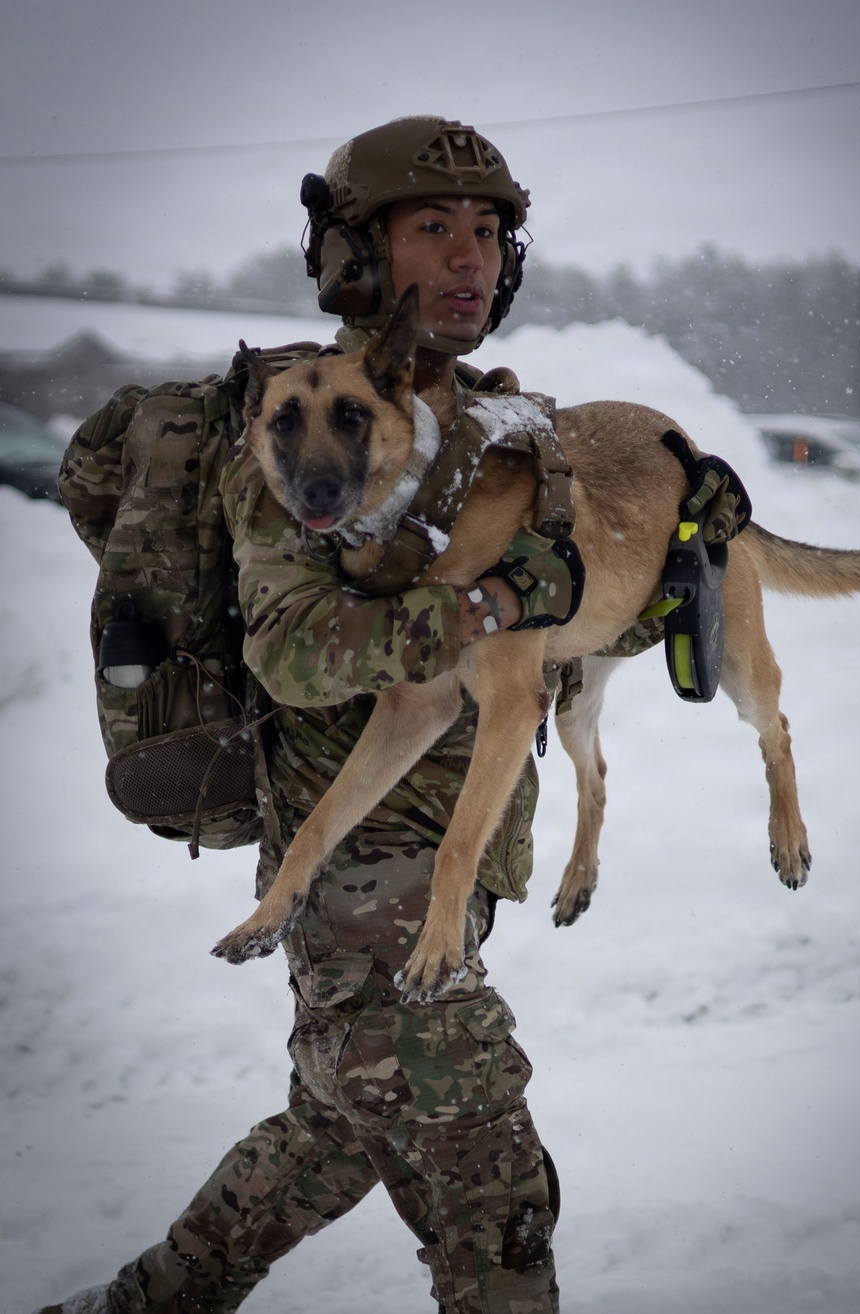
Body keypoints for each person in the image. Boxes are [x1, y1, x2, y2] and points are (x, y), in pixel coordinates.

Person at [40, 116, 602, 1314]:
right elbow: (295, 651)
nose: (467, 258)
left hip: (459, 864)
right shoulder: (303, 419)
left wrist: (694, 537)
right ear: (355, 254)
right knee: (493, 1205)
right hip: (368, 889)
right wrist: (488, 605)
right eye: (430, 229)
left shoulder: (499, 424)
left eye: (488, 232)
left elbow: (574, 622)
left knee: (329, 1138)